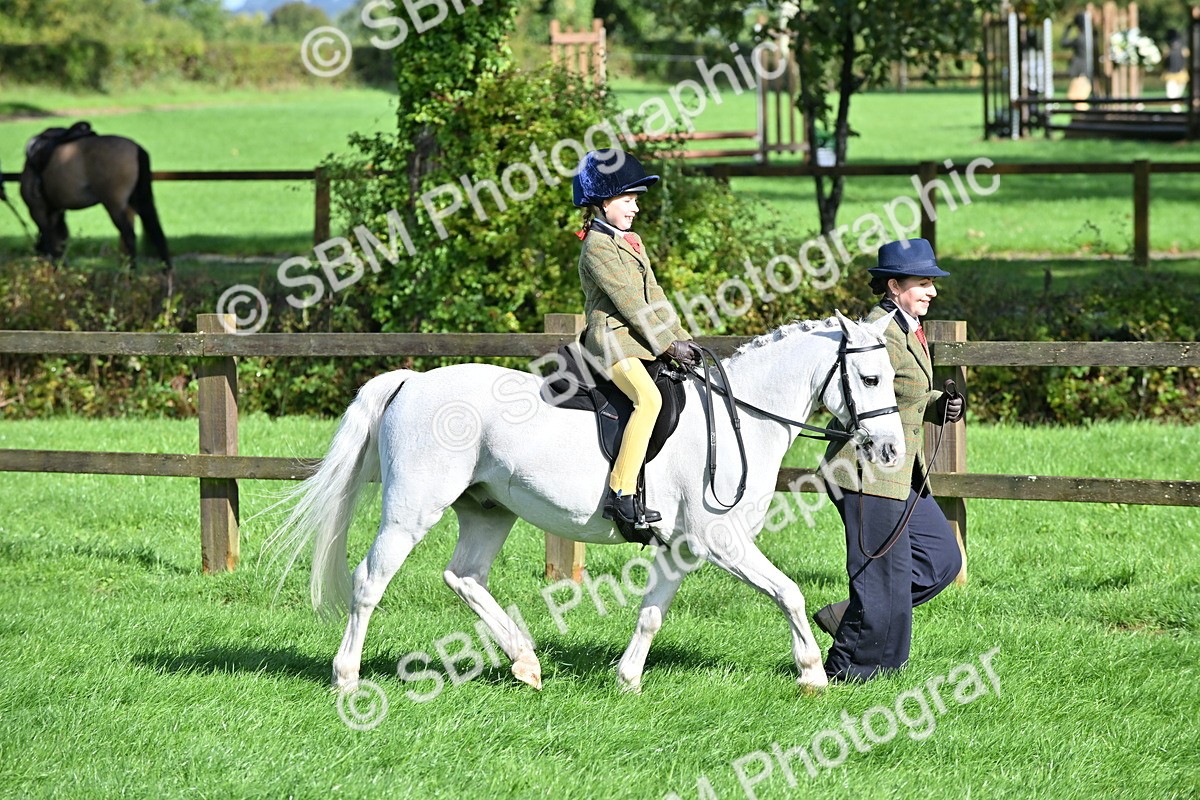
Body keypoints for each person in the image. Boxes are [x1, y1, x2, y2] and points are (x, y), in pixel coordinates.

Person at [813, 238, 964, 683]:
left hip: (905, 472)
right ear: (894, 285)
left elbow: (902, 395)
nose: (932, 291)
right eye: (923, 283)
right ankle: (848, 674)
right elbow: (861, 398)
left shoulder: (907, 326)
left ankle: (850, 616)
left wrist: (938, 404)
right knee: (882, 577)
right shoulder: (874, 332)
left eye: (933, 283)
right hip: (865, 472)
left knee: (941, 561)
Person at [571, 149, 701, 531]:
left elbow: (653, 295)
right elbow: (629, 301)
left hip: (639, 339)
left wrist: (683, 339)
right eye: (628, 201)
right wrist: (666, 346)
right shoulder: (597, 245)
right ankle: (622, 495)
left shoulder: (632, 241)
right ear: (605, 202)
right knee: (649, 400)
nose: (635, 209)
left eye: (635, 201)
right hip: (611, 342)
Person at [1062, 11, 1093, 110]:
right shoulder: (1089, 37)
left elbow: (1063, 43)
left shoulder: (1080, 39)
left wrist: (1067, 30)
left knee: (1077, 98)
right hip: (1084, 71)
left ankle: (1081, 119)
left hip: (1080, 71)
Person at [1164, 28, 1188, 113]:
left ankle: (1176, 110)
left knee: (1177, 94)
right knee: (1171, 94)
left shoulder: (1182, 49)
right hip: (1171, 73)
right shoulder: (1168, 49)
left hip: (1180, 73)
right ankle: (1175, 110)